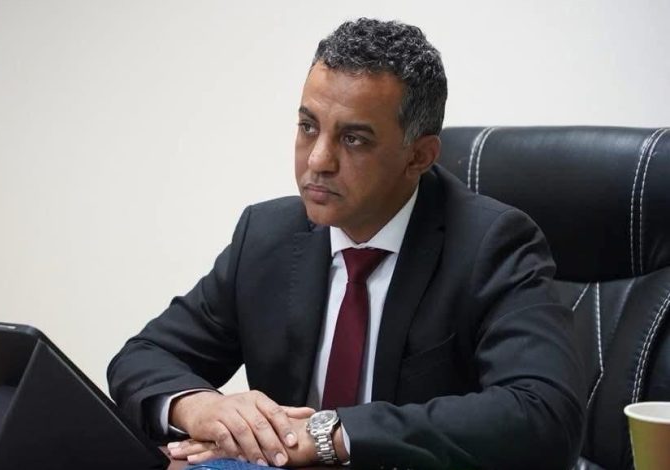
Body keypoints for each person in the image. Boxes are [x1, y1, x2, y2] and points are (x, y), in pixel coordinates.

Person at [108, 18, 585, 470]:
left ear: (419, 156)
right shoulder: (267, 236)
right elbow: (142, 357)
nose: (318, 160)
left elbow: (544, 415)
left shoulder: (491, 246)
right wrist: (199, 407)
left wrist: (331, 434)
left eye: (353, 139)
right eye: (308, 127)